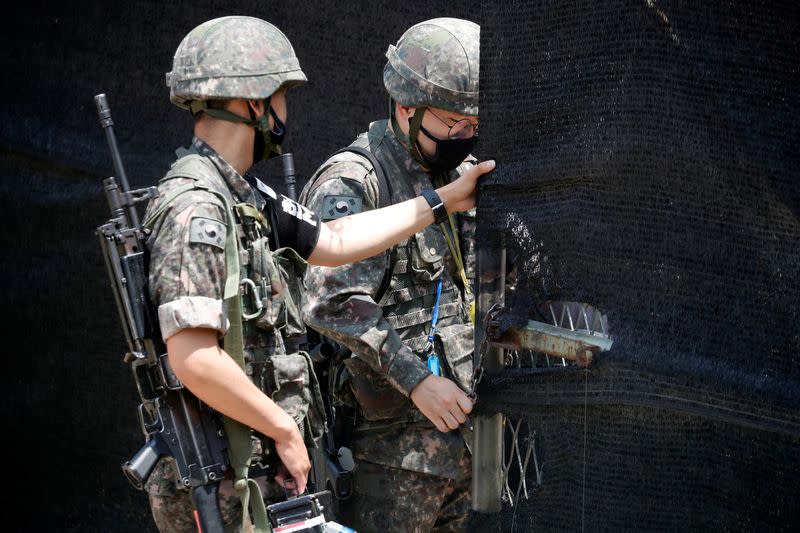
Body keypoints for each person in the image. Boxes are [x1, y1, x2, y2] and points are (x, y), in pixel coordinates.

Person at [141, 15, 493, 533]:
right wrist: (283, 428)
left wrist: (441, 201)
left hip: (251, 465)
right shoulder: (197, 208)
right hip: (218, 476)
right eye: (282, 97)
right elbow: (194, 358)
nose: (287, 112)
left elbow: (335, 241)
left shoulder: (246, 195)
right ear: (256, 105)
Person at [299, 17, 481, 533]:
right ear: (406, 106)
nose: (465, 136)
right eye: (453, 124)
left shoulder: (459, 176)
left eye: (473, 124)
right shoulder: (357, 181)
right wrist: (417, 380)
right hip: (388, 458)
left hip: (467, 450)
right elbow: (331, 302)